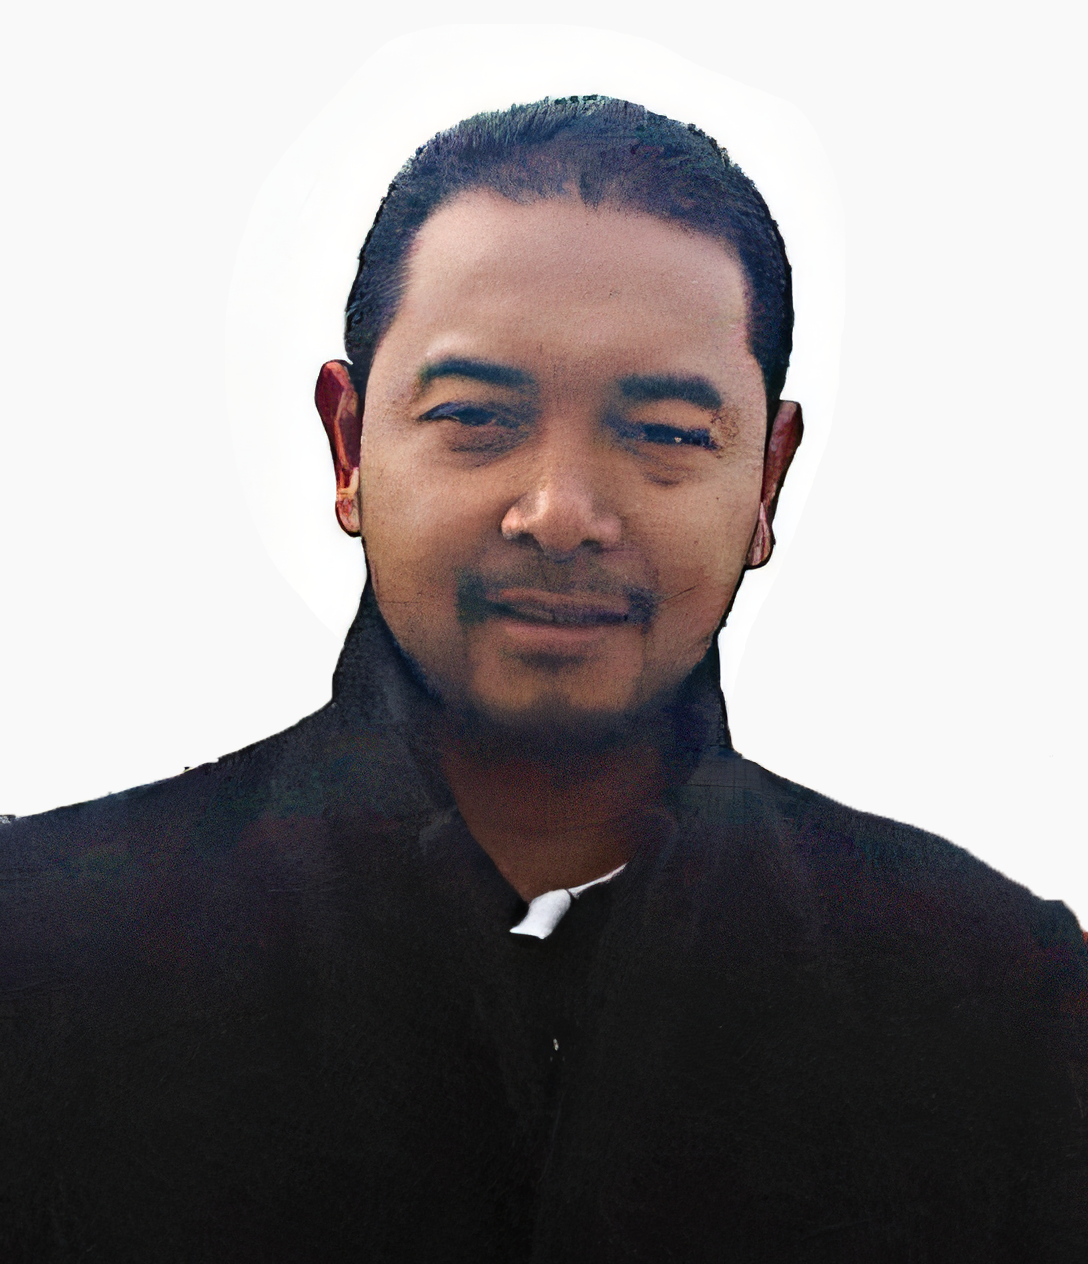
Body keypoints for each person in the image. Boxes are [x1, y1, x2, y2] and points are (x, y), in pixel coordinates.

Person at [0, 96, 1084, 1262]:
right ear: (350, 446)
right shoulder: (43, 954)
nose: (560, 512)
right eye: (476, 417)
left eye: (664, 431)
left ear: (765, 478)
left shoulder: (995, 1002)